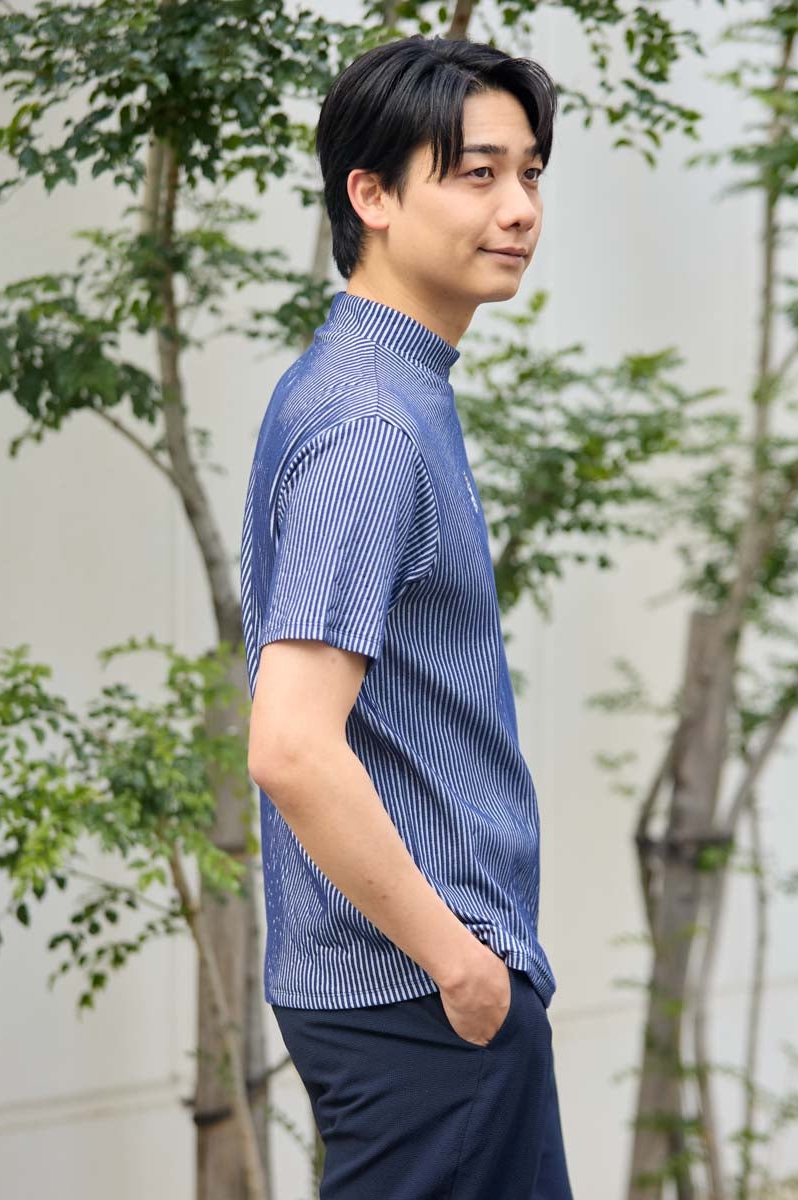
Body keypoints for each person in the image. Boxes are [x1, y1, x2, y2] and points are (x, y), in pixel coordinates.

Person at [239, 32, 573, 1199]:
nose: (518, 208)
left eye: (529, 173)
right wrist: (463, 970)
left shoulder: (386, 387)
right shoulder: (373, 423)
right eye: (476, 174)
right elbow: (291, 746)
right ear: (370, 196)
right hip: (422, 1003)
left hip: (423, 998)